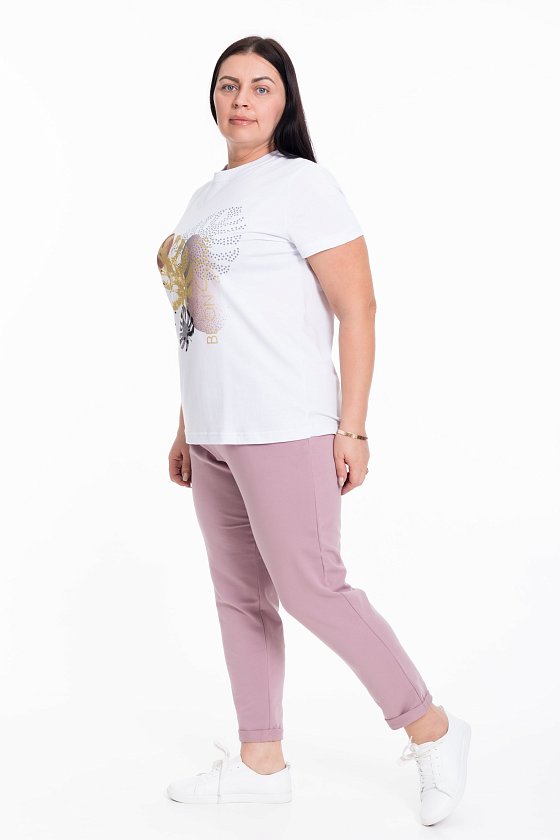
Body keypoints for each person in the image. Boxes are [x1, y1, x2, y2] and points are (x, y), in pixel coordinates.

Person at [156, 35, 471, 825]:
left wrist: (352, 429)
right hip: (215, 433)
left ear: (285, 101)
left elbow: (357, 307)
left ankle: (432, 730)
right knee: (239, 597)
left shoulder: (302, 184)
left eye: (261, 87)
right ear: (213, 97)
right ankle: (261, 761)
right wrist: (187, 425)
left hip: (286, 422)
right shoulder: (202, 197)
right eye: (229, 85)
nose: (242, 99)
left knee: (312, 589)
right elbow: (202, 320)